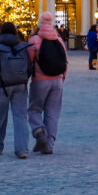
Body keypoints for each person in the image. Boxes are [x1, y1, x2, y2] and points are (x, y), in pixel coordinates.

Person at [0, 22, 31, 158]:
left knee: (1, 117)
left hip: (2, 86)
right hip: (20, 85)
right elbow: (29, 67)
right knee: (21, 117)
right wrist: (23, 79)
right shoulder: (22, 46)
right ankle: (22, 149)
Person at [27, 11, 68, 154]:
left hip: (40, 80)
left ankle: (39, 132)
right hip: (57, 80)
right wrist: (62, 77)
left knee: (34, 109)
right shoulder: (59, 39)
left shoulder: (34, 40)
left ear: (39, 24)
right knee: (53, 113)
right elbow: (65, 61)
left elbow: (29, 61)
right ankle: (49, 146)